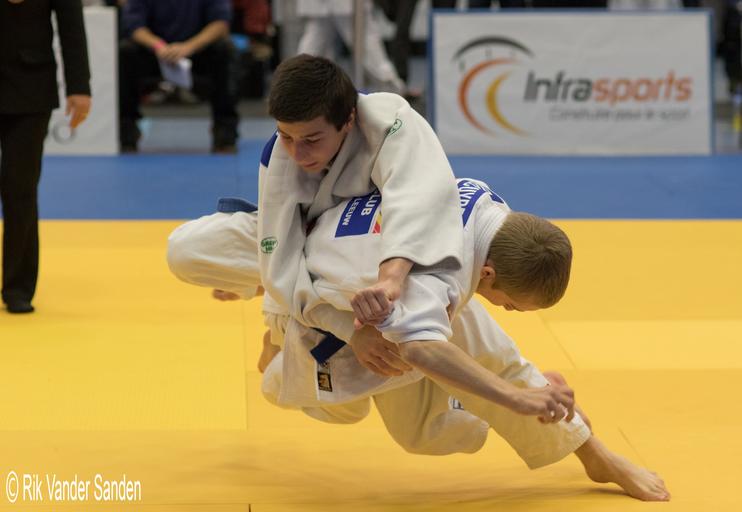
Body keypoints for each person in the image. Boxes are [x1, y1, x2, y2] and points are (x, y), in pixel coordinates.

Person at [167, 179, 670, 501]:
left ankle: (592, 452)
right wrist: (518, 397)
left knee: (434, 424)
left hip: (354, 273)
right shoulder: (436, 276)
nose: (509, 311)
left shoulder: (484, 201)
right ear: (488, 272)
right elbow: (422, 349)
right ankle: (278, 314)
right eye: (512, 303)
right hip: (320, 262)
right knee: (284, 385)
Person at [258, 54, 464, 373]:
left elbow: (419, 196)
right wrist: (351, 331)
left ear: (349, 120)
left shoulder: (390, 120)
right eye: (286, 136)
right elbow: (279, 265)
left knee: (423, 289)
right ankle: (274, 314)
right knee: (187, 249)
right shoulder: (277, 159)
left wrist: (391, 278)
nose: (297, 152)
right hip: (311, 238)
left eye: (312, 139)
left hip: (374, 233)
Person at [0, 0, 92, 314]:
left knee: (20, 187)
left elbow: (71, 27)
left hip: (31, 86)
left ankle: (18, 287)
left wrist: (80, 86)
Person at [119, 0, 240, 153]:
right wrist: (158, 46)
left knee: (226, 50)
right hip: (153, 51)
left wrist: (189, 46)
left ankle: (225, 130)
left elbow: (220, 23)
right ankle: (127, 129)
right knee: (126, 52)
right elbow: (133, 26)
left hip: (198, 50)